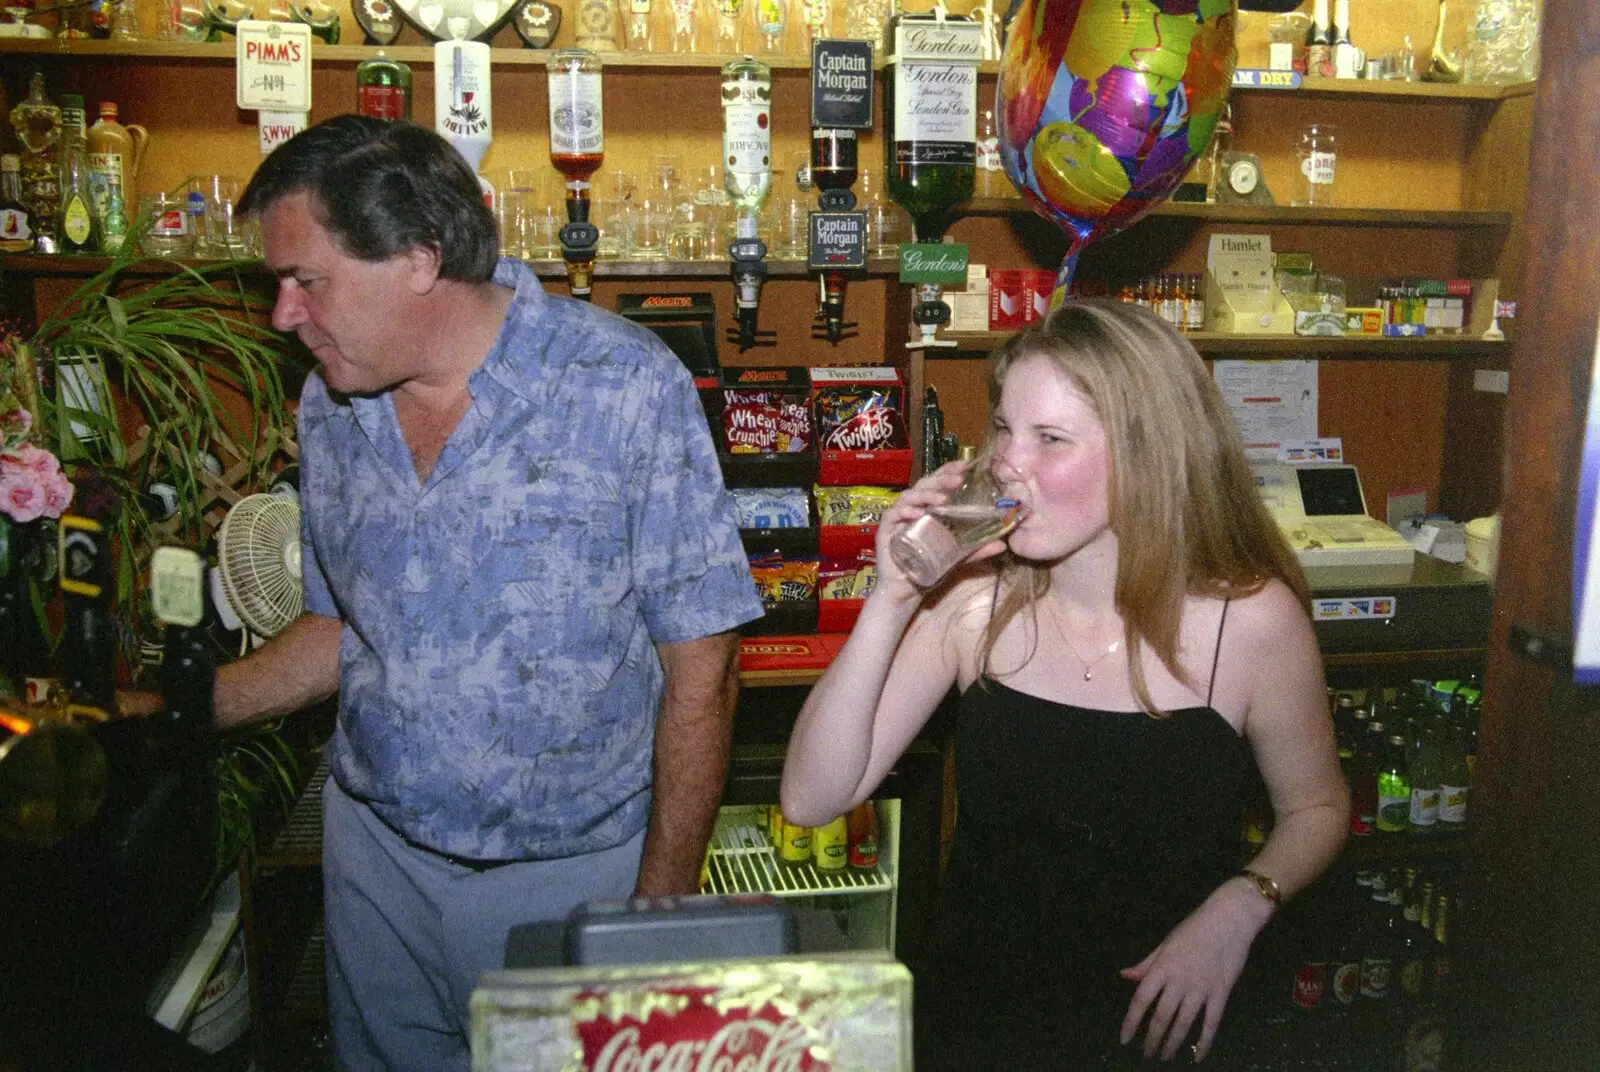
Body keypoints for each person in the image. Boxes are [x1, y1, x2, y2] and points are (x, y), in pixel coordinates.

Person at [224, 116, 764, 1072]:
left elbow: (704, 666)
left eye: (306, 280)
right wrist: (181, 708)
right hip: (374, 866)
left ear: (419, 258)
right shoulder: (331, 403)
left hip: (567, 882)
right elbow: (340, 627)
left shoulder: (623, 387)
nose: (283, 315)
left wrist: (660, 907)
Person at [780, 300, 1348, 1069]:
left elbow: (1316, 807)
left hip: (1161, 1015)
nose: (1009, 462)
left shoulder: (1249, 622)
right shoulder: (973, 604)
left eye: (1051, 439)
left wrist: (1240, 907)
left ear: (1149, 455)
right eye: (1006, 428)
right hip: (980, 1013)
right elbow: (812, 797)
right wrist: (894, 597)